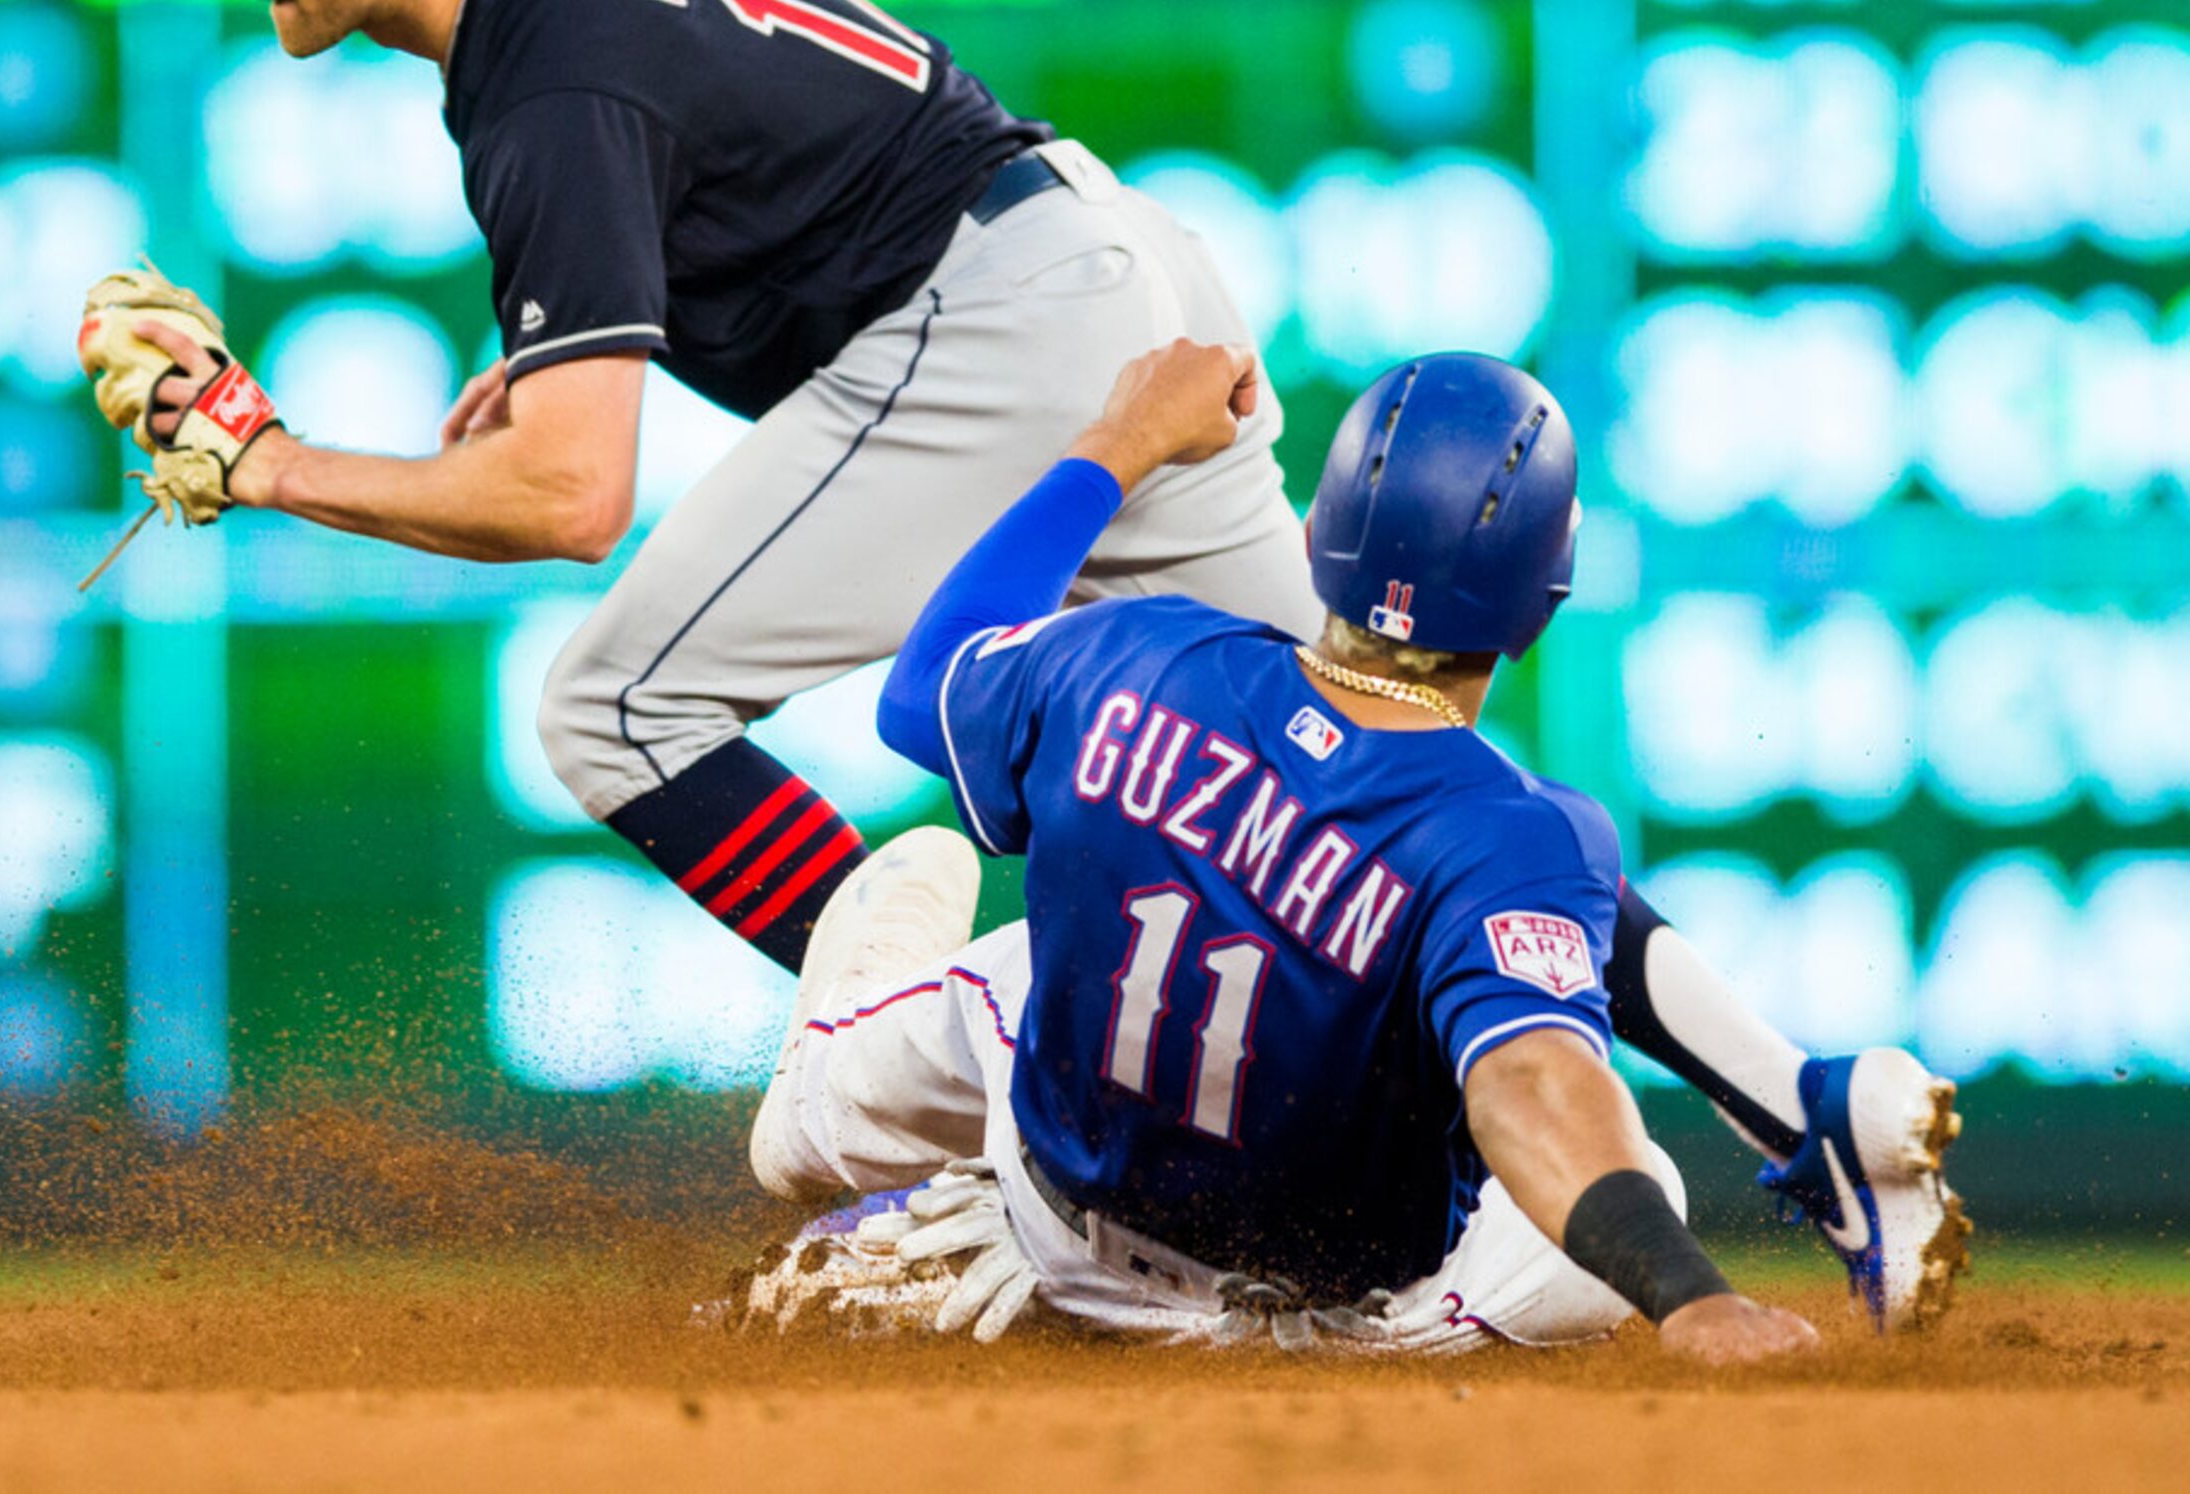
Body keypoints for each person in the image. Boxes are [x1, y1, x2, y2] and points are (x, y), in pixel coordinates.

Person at [119, 0, 1960, 1325]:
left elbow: (570, 496)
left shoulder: (537, 74)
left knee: (610, 710)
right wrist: (581, 328)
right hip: (1103, 261)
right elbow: (737, 155)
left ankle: (926, 1069)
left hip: (991, 332)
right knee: (1381, 772)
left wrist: (267, 458)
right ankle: (1806, 1099)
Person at [739, 344, 1950, 1354]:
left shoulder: (1127, 656)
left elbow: (922, 694)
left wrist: (1115, 446)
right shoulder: (1520, 833)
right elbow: (1532, 1083)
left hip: (1067, 1233)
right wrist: (1694, 1298)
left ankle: (870, 1105)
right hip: (1340, 1328)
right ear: (1546, 597)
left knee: (986, 985)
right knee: (1614, 1162)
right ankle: (1800, 1101)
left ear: (1318, 532)